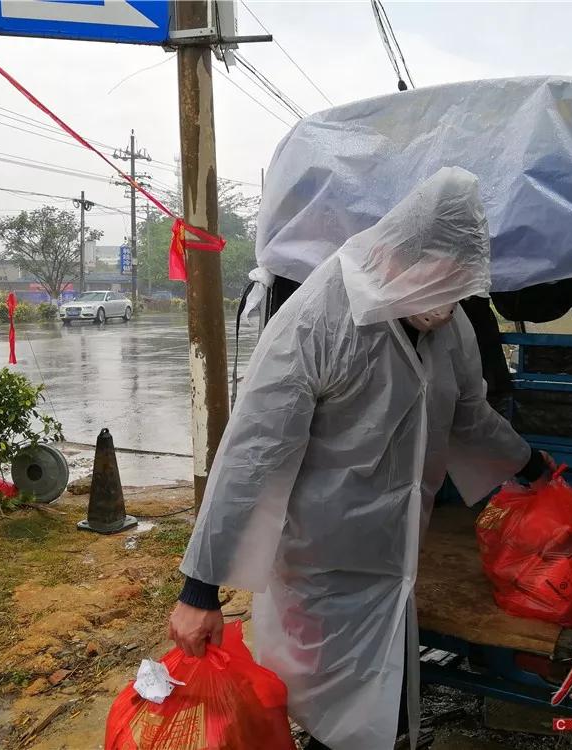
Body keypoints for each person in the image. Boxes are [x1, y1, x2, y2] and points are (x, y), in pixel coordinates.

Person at [169, 166, 552, 750]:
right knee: (326, 709)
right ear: (399, 257)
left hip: (394, 564)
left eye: (459, 289)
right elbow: (253, 455)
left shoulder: (449, 326)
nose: (447, 305)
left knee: (387, 707)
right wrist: (201, 590)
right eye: (438, 283)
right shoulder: (318, 320)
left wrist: (529, 466)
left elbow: (469, 414)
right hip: (319, 569)